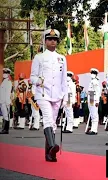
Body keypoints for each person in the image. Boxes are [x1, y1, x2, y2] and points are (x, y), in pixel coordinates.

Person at [30, 29, 68, 162]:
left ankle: (49, 153)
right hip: (43, 93)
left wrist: (66, 96)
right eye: (50, 39)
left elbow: (64, 80)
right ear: (45, 41)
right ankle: (52, 146)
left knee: (53, 123)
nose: (52, 41)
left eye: (55, 39)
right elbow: (32, 77)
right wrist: (38, 81)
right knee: (47, 118)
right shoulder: (39, 57)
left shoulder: (62, 58)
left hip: (57, 95)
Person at [86, 68, 101, 135]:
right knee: (92, 113)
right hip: (91, 96)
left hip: (94, 97)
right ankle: (92, 128)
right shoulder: (91, 81)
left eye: (93, 73)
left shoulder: (95, 81)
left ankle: (94, 130)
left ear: (96, 75)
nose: (92, 74)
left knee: (94, 114)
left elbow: (97, 92)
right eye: (91, 73)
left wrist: (97, 101)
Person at [0, 68, 13, 134]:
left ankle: (5, 129)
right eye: (4, 73)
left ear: (8, 74)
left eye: (6, 73)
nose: (4, 74)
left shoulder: (8, 82)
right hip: (2, 101)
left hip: (5, 102)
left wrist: (7, 102)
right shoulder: (4, 81)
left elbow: (8, 93)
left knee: (6, 115)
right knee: (5, 115)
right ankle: (4, 128)